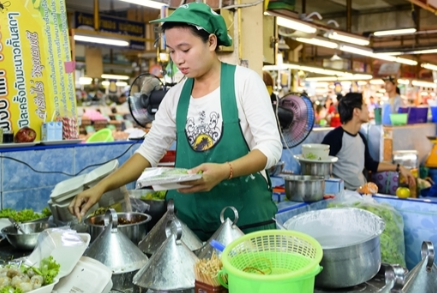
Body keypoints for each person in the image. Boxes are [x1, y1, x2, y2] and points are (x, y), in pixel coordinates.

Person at [69, 3, 282, 240]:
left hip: (246, 226)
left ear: (211, 42)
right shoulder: (175, 96)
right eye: (171, 51)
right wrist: (101, 187)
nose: (178, 59)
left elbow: (270, 148)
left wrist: (224, 171)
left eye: (185, 49)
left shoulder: (244, 83)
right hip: (190, 230)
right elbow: (148, 153)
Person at [321, 92, 415, 191]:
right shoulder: (335, 137)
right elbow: (322, 170)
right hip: (345, 197)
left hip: (363, 193)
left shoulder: (361, 137)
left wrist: (399, 167)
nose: (368, 110)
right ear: (356, 111)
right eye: (365, 106)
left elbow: (371, 164)